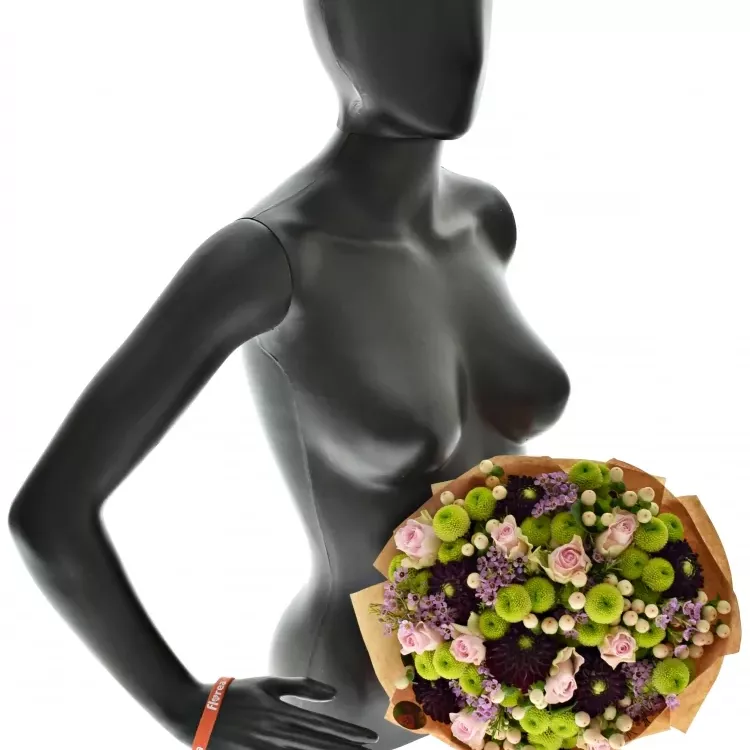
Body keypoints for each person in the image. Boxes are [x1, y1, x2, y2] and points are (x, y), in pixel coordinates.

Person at [8, 2, 570, 748]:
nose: (451, 41)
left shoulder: (484, 219)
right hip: (344, 713)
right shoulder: (268, 256)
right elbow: (49, 513)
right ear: (333, 25)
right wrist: (187, 709)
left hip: (518, 695)